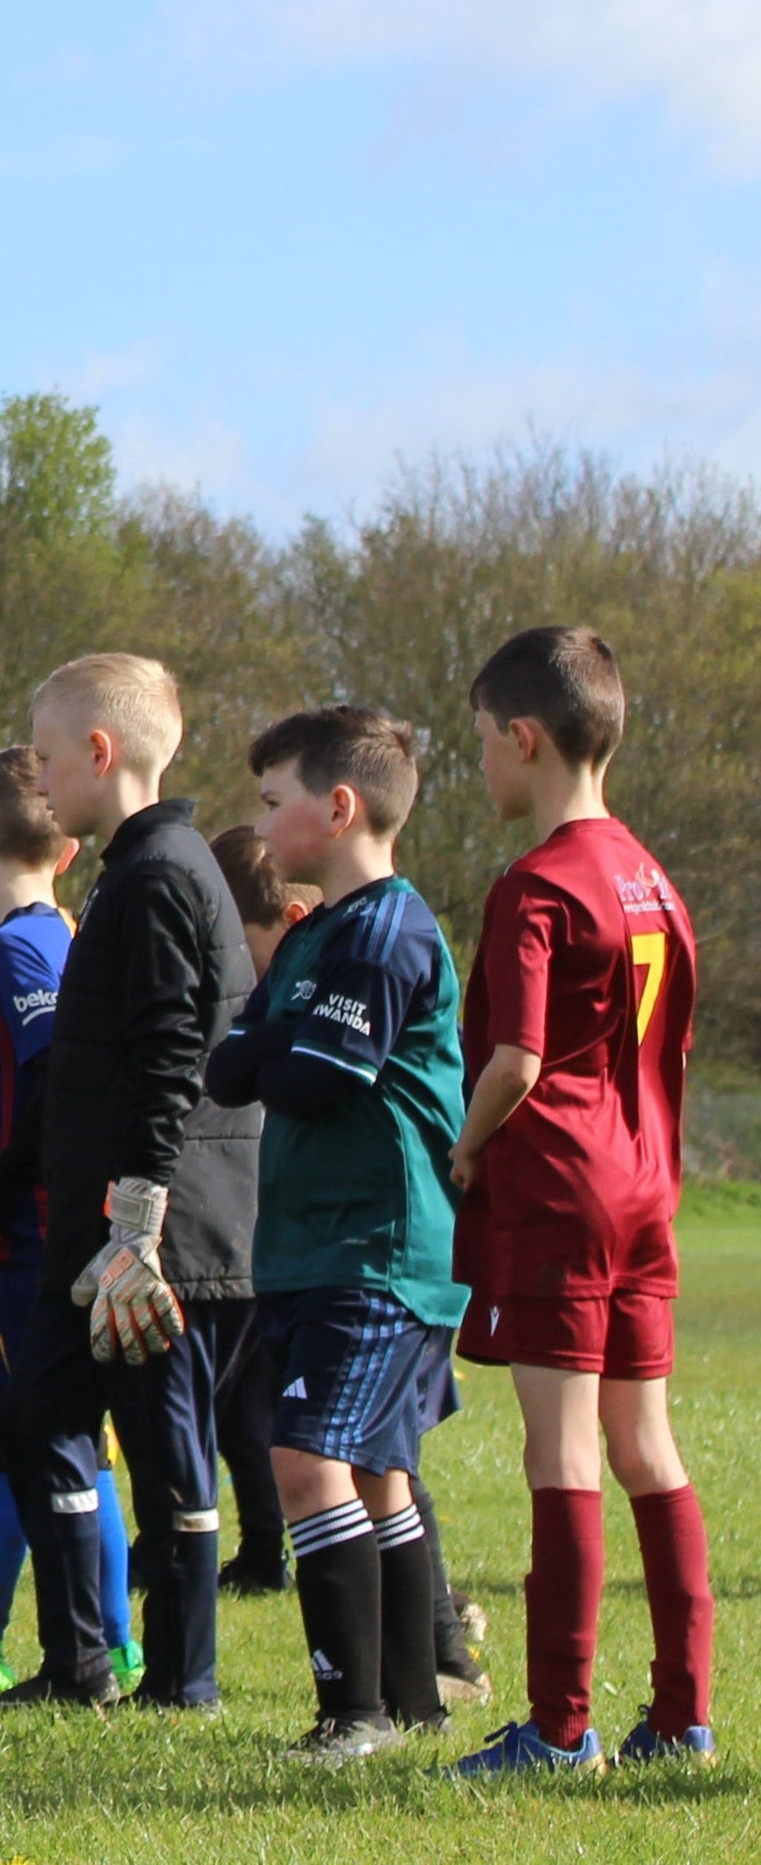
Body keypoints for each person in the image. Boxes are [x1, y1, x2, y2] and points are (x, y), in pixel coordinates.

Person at [446, 626, 716, 1775]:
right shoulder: (654, 876)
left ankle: (559, 1727)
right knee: (647, 1444)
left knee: (559, 1450)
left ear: (525, 737)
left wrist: (465, 1148)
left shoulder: (537, 883)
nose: (481, 767)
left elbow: (516, 1058)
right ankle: (684, 1714)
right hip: (647, 1187)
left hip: (561, 1190)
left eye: (482, 743)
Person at [0, 651, 258, 1712]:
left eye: (49, 757)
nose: (41, 779)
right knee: (39, 1417)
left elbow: (170, 1057)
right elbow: (86, 1065)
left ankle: (185, 1678)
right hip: (98, 1223)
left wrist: (137, 1220)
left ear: (100, 752)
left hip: (155, 1236)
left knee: (164, 1449)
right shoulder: (130, 870)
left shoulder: (161, 874)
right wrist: (2, 1183)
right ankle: (79, 1662)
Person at [203, 707, 468, 1763]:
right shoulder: (314, 930)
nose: (263, 826)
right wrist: (283, 1040)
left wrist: (279, 1043)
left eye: (275, 802)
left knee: (306, 1458)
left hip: (381, 1248)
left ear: (341, 807)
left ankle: (350, 1713)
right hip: (311, 1246)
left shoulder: (387, 930)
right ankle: (413, 1704)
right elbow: (231, 1067)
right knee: (375, 1474)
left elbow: (319, 1077)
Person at [0, 747, 135, 1707]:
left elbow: (55, 1083)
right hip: (18, 1242)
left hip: (21, 1244)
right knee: (43, 1441)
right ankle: (97, 1641)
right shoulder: (49, 936)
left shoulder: (19, 949)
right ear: (63, 851)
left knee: (29, 1442)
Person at [203, 824, 310, 1598]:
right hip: (249, 1226)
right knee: (241, 1405)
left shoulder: (311, 992)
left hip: (293, 1230)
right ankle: (262, 1549)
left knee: (287, 1409)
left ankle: (428, 1601)